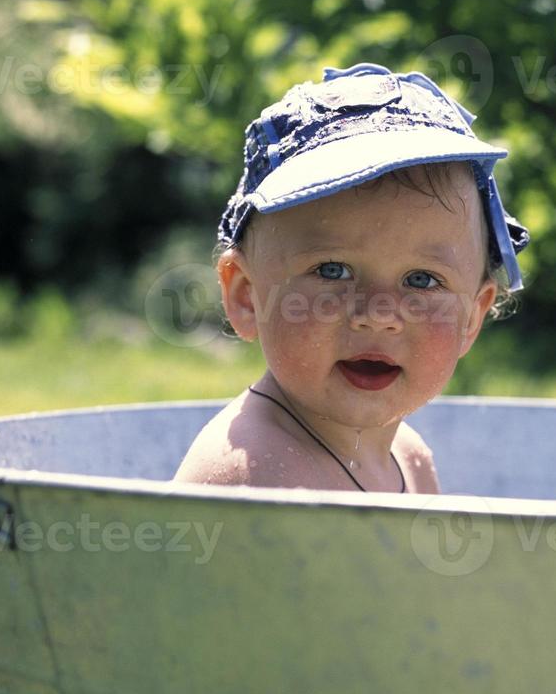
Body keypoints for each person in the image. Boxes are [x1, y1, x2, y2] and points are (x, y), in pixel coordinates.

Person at [172, 61, 531, 493]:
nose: (378, 314)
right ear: (247, 296)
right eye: (332, 271)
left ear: (472, 317)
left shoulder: (408, 460)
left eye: (421, 280)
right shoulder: (256, 474)